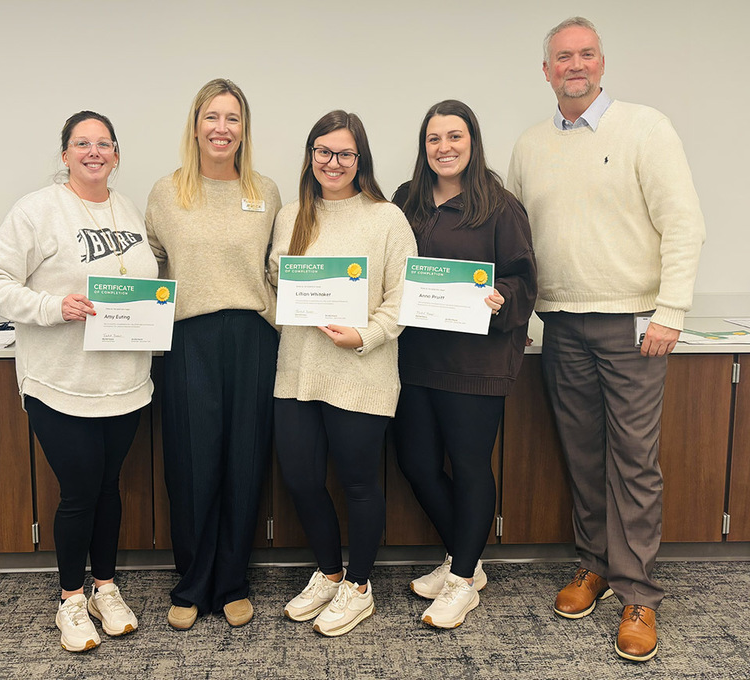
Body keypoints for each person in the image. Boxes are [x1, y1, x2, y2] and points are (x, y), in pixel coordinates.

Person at [507, 17, 705, 662]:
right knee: (583, 457)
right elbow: (515, 239)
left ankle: (639, 592)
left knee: (633, 462)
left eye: (585, 54)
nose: (574, 65)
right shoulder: (530, 145)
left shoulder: (647, 128)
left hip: (634, 325)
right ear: (545, 71)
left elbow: (683, 225)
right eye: (562, 57)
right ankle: (593, 565)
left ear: (601, 63)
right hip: (561, 322)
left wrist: (671, 309)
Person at [0, 111, 157, 652]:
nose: (94, 152)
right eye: (82, 143)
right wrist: (54, 306)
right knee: (78, 493)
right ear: (65, 153)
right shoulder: (37, 210)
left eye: (104, 144)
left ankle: (105, 585)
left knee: (108, 488)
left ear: (117, 154)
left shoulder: (128, 210)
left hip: (124, 381)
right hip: (61, 382)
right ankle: (71, 599)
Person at [269, 110, 417, 637]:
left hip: (362, 371)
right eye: (323, 152)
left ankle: (358, 586)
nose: (333, 162)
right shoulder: (291, 215)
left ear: (361, 159)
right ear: (311, 156)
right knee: (301, 479)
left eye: (345, 153)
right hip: (298, 372)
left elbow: (405, 296)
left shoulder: (386, 218)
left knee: (358, 484)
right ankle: (329, 572)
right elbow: (273, 283)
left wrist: (366, 335)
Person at [391, 100, 537, 629]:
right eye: (434, 138)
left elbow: (525, 280)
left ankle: (462, 579)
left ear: (472, 142)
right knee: (417, 464)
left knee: (471, 467)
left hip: (476, 363)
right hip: (413, 360)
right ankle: (464, 562)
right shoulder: (405, 201)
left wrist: (501, 295)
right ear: (423, 146)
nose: (444, 147)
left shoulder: (500, 206)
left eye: (455, 136)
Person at [145, 79, 281, 630]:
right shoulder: (167, 192)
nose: (222, 128)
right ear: (195, 125)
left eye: (233, 118)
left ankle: (231, 582)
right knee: (191, 464)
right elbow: (145, 263)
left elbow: (282, 266)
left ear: (244, 128)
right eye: (212, 117)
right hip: (188, 341)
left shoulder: (267, 191)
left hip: (252, 337)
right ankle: (191, 583)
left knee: (244, 462)